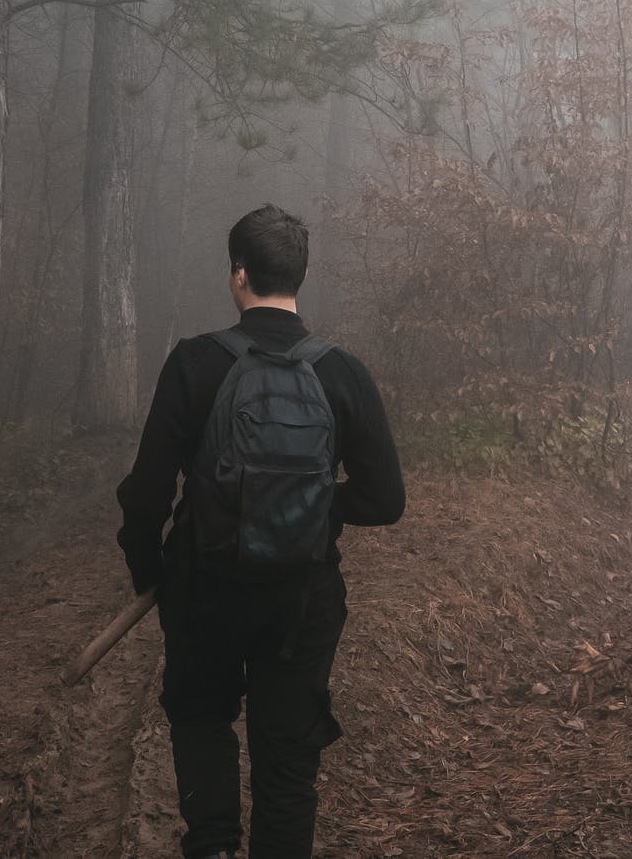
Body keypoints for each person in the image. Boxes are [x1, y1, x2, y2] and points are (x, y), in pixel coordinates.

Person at [116, 204, 406, 859]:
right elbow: (385, 500)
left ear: (237, 275)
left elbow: (145, 494)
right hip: (300, 604)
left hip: (204, 592)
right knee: (286, 769)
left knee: (200, 721)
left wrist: (152, 572)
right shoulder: (342, 373)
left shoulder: (194, 363)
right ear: (298, 277)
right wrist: (314, 504)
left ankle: (214, 845)